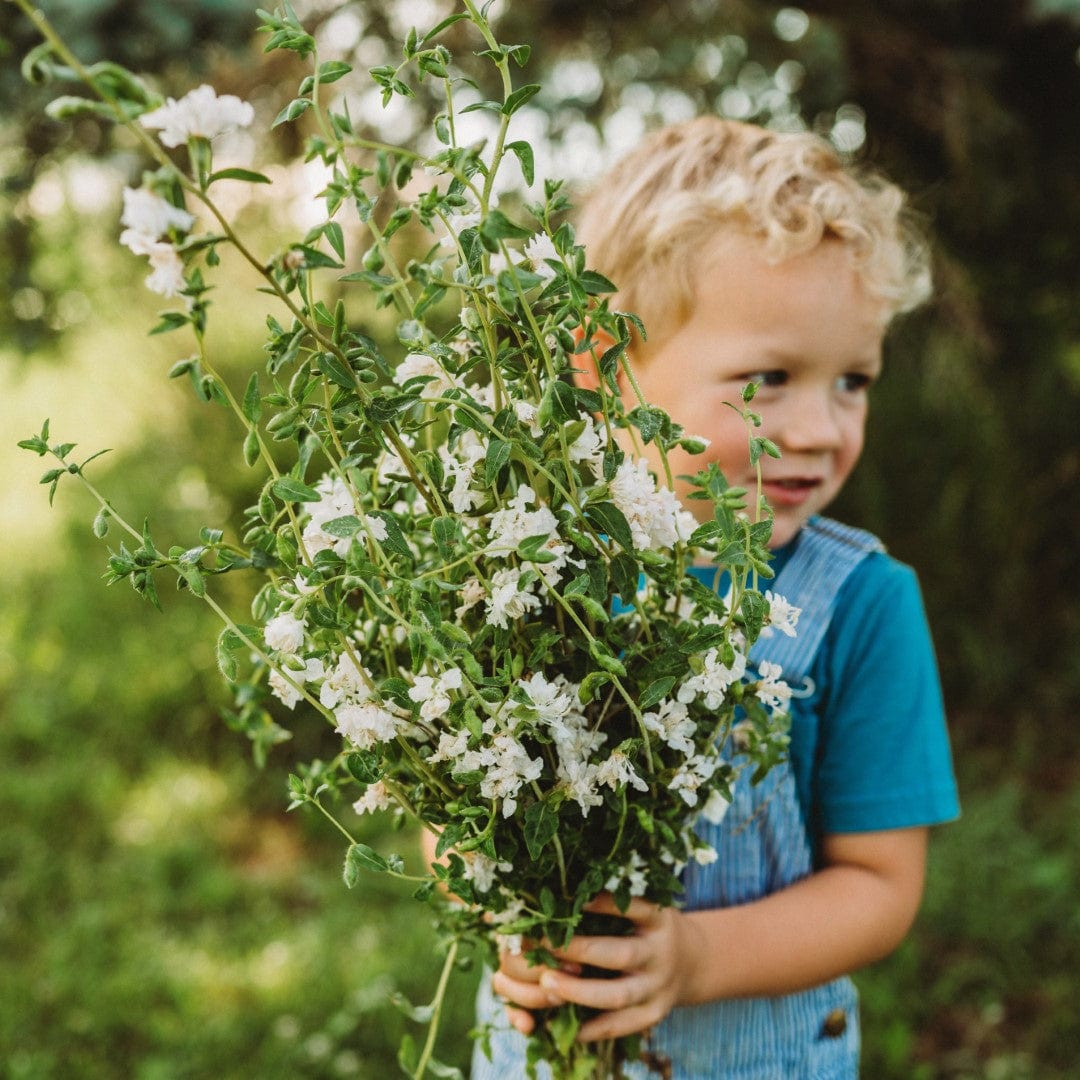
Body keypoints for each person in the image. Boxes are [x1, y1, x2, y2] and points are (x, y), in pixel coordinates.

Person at [470, 117, 961, 1079]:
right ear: (603, 369)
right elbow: (454, 814)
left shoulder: (861, 605)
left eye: (853, 381)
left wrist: (694, 960)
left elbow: (880, 887)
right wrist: (497, 902)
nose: (820, 429)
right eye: (768, 380)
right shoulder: (529, 574)